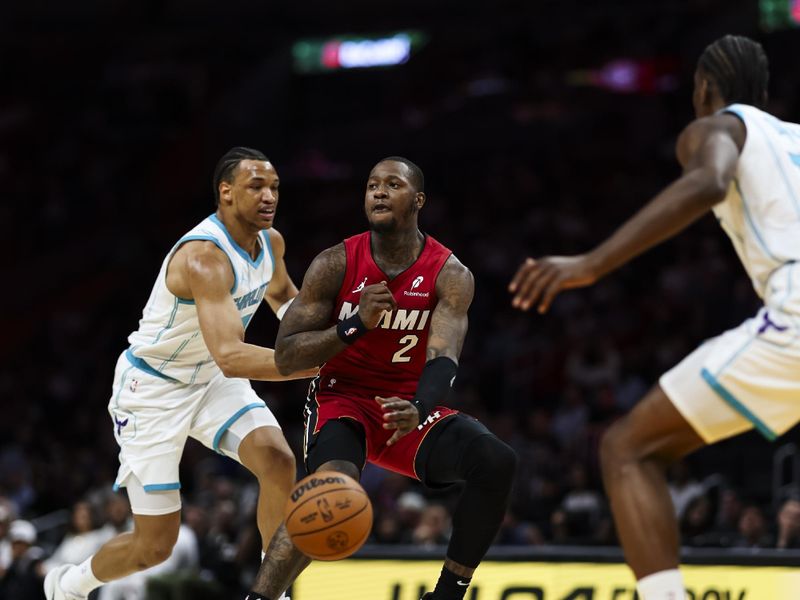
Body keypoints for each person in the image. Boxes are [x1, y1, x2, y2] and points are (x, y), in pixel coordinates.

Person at [510, 35, 800, 600]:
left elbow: (709, 180)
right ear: (764, 93)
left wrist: (592, 263)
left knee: (627, 449)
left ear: (703, 90)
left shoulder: (717, 126)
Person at [44, 147, 317, 600]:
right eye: (256, 187)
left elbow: (284, 293)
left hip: (209, 379)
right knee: (154, 548)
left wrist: (326, 336)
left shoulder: (271, 243)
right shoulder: (203, 258)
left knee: (279, 461)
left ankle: (274, 590)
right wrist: (320, 362)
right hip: (153, 391)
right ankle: (68, 585)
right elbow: (232, 355)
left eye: (274, 187)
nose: (269, 196)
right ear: (225, 193)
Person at [246, 157, 518, 600]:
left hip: (406, 407)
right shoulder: (335, 263)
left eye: (392, 184)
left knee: (495, 460)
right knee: (330, 494)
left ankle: (448, 593)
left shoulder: (450, 274)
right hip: (343, 400)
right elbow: (286, 354)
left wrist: (419, 408)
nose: (378, 192)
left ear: (418, 200)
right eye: (372, 184)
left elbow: (444, 356)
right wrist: (354, 325)